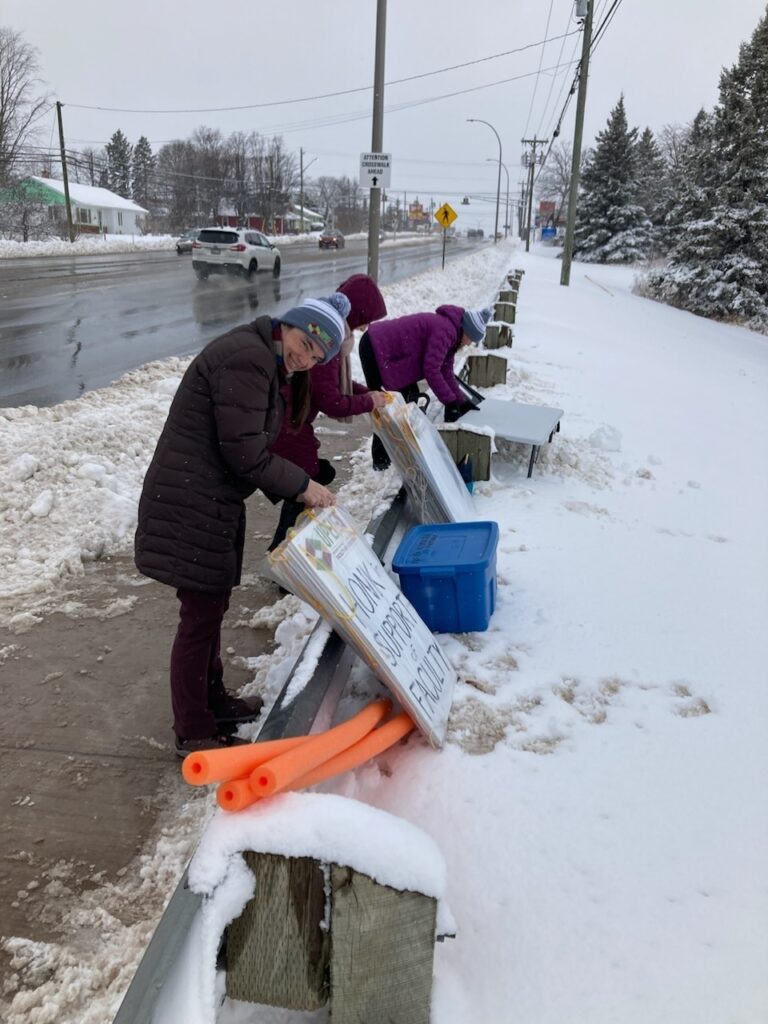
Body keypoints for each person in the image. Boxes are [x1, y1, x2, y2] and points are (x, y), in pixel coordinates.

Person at [134, 294, 350, 756]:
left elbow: (247, 441)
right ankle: (193, 731)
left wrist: (298, 480)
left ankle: (214, 702)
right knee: (199, 618)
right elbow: (245, 453)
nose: (304, 356)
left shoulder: (264, 358)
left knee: (210, 607)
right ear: (290, 325)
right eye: (303, 342)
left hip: (208, 497)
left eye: (316, 355)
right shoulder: (249, 359)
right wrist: (304, 486)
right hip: (191, 499)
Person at [266, 274, 389, 551]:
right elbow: (331, 400)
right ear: (355, 312)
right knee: (306, 483)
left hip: (290, 419)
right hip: (286, 422)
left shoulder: (330, 334)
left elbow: (332, 387)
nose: (367, 325)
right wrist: (369, 402)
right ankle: (286, 551)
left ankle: (286, 546)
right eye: (366, 318)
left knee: (308, 479)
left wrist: (367, 392)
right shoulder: (328, 340)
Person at [358, 304, 493, 469]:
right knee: (383, 406)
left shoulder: (451, 332)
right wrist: (450, 402)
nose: (469, 343)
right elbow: (432, 370)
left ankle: (397, 454)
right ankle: (381, 461)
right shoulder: (446, 331)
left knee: (408, 399)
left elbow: (446, 371)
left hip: (384, 349)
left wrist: (460, 400)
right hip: (375, 346)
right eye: (471, 339)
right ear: (467, 331)